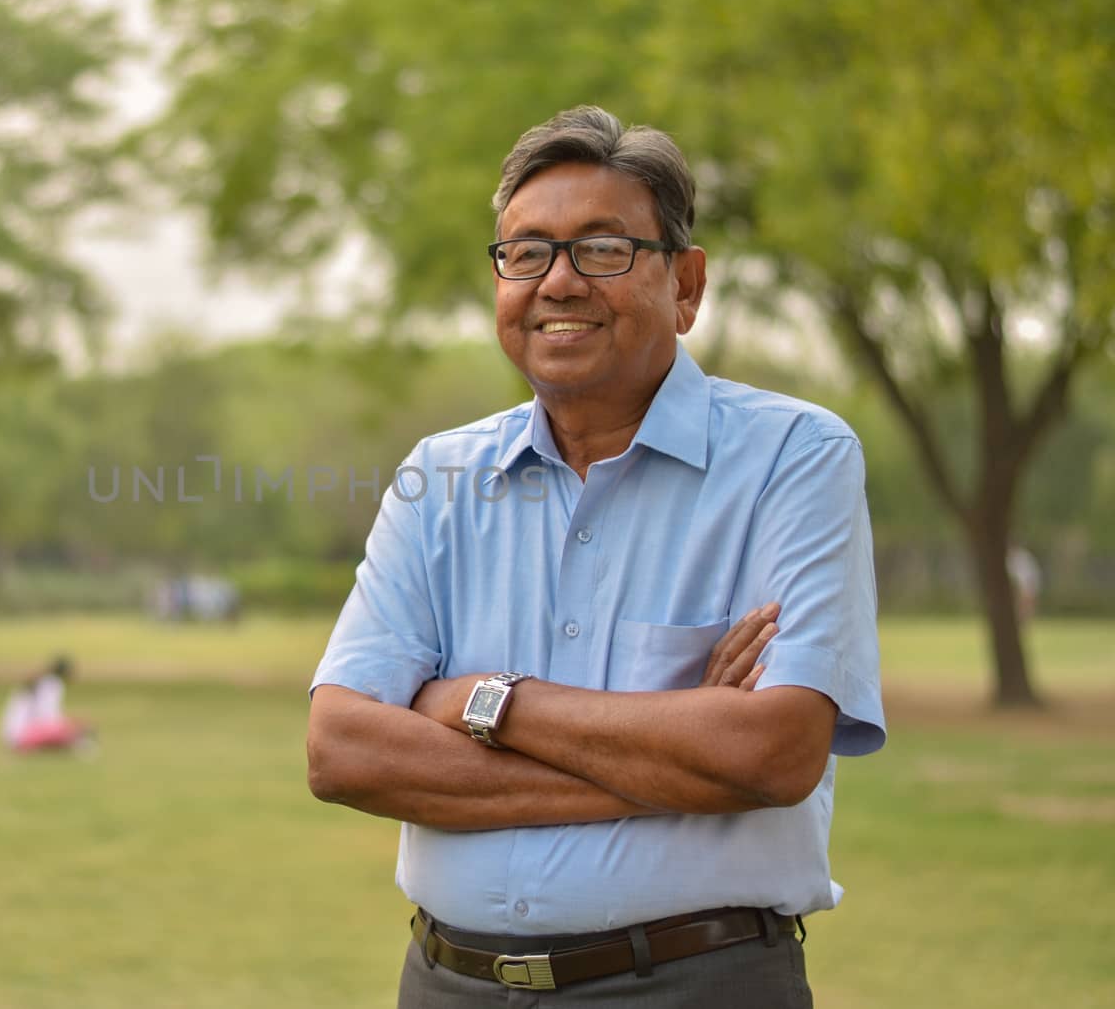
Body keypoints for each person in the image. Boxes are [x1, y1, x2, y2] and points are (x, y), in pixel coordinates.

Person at [307, 106, 885, 1007]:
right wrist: (679, 752)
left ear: (686, 285)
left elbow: (773, 756)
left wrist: (483, 703)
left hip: (697, 984)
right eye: (526, 253)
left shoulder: (794, 458)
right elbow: (343, 751)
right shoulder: (442, 476)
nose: (559, 282)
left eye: (604, 250)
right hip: (447, 983)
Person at [0, 654, 95, 754]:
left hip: (11, 734)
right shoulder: (52, 684)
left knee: (69, 730)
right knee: (68, 731)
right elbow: (49, 718)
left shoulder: (42, 681)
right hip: (21, 735)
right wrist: (77, 726)